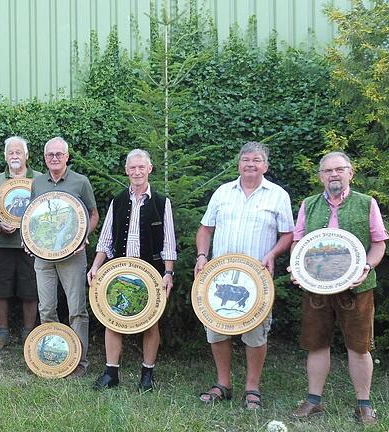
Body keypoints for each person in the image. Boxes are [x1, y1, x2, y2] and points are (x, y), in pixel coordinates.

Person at [288, 152, 386, 426]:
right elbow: (298, 242)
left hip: (358, 288)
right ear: (320, 176)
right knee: (316, 344)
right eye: (328, 170)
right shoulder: (308, 205)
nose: (334, 174)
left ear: (350, 173)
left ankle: (363, 406)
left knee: (359, 347)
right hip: (316, 288)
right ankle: (313, 401)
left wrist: (366, 265)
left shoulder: (367, 203)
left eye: (339, 169)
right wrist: (296, 268)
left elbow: (379, 243)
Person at [194, 141, 294, 409]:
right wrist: (202, 256)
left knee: (255, 335)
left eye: (257, 160)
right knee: (216, 331)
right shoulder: (223, 192)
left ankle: (252, 388)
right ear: (238, 164)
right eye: (246, 159)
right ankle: (223, 383)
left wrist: (273, 254)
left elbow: (288, 235)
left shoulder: (278, 195)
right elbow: (205, 229)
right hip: (220, 277)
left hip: (257, 279)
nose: (251, 164)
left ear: (266, 166)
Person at [87, 149, 176, 391]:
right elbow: (105, 240)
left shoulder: (161, 202)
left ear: (149, 169)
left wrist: (168, 273)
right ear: (127, 171)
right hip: (118, 271)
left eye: (141, 167)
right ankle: (111, 373)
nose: (137, 172)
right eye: (132, 168)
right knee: (112, 319)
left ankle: (147, 375)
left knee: (151, 323)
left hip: (151, 271)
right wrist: (95, 266)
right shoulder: (118, 201)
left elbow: (169, 242)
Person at [31, 137, 100, 377]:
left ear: (67, 156)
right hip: (43, 257)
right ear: (44, 157)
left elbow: (93, 215)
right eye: (50, 154)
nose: (54, 158)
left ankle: (79, 362)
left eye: (59, 154)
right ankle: (54, 358)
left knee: (76, 309)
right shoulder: (37, 183)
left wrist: (83, 236)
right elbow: (33, 219)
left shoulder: (80, 182)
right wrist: (28, 241)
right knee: (47, 308)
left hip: (73, 255)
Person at [0, 136, 40, 349]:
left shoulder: (40, 178)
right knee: (0, 290)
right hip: (1, 245)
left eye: (19, 152)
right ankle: (3, 333)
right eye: (11, 152)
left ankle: (28, 332)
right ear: (5, 156)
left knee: (30, 290)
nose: (15, 156)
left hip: (32, 246)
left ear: (27, 155)